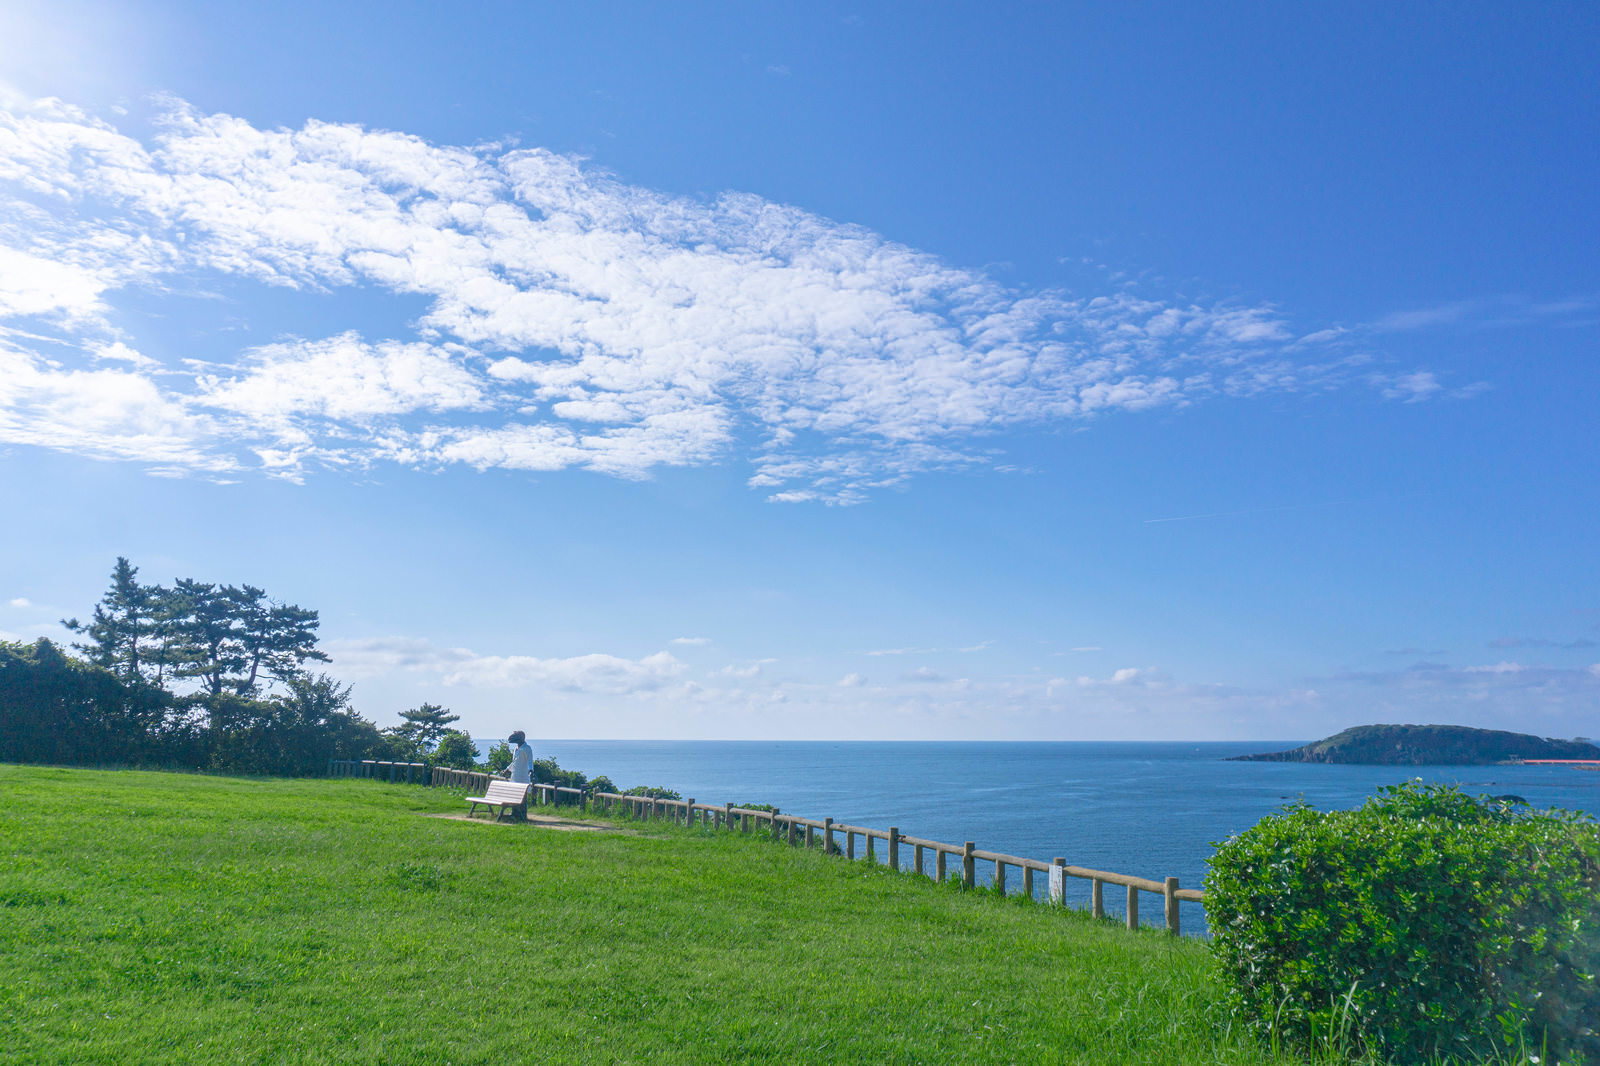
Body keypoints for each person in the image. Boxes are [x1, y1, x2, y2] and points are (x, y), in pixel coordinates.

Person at [506, 730, 533, 821]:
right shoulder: (516, 749)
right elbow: (514, 762)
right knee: (514, 794)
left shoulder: (527, 748)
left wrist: (530, 770)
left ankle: (522, 815)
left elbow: (530, 761)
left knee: (523, 796)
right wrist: (507, 769)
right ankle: (514, 813)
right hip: (515, 775)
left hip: (523, 776)